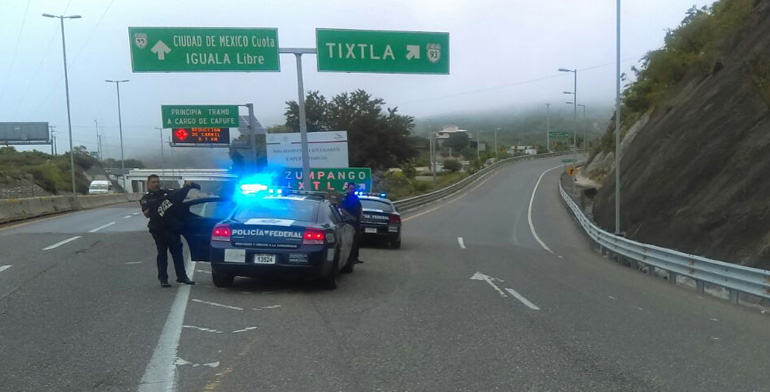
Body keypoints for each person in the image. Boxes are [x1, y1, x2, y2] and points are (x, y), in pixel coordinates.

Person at [140, 175, 199, 287]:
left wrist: (187, 187)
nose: (156, 184)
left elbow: (178, 195)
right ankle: (163, 279)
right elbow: (146, 213)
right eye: (153, 182)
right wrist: (156, 204)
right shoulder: (146, 198)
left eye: (157, 182)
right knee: (162, 253)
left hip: (172, 228)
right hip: (158, 229)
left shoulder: (166, 193)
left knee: (177, 252)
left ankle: (182, 276)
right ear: (148, 184)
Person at [339, 182, 363, 264]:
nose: (352, 190)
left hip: (357, 221)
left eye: (353, 188)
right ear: (348, 188)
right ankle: (350, 259)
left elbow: (360, 207)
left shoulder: (356, 197)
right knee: (350, 241)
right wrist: (350, 216)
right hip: (349, 221)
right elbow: (342, 209)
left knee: (357, 240)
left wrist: (362, 214)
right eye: (350, 188)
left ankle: (356, 258)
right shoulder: (345, 197)